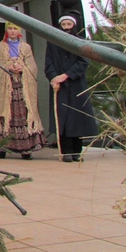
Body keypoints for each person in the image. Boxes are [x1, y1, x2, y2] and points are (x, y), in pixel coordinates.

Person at [45, 11, 98, 163]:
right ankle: (65, 152)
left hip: (76, 84)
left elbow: (83, 62)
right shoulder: (53, 42)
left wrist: (66, 75)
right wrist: (54, 77)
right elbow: (48, 62)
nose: (67, 27)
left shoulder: (81, 42)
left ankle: (76, 151)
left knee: (77, 119)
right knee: (63, 118)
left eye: (69, 24)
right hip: (59, 85)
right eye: (64, 24)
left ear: (74, 25)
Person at [0, 22, 45, 159]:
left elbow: (32, 67)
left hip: (23, 86)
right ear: (6, 31)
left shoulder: (26, 47)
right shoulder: (0, 47)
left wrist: (23, 68)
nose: (12, 31)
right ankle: (1, 147)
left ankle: (26, 148)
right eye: (10, 28)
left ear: (19, 31)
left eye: (15, 28)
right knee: (6, 113)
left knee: (24, 113)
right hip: (6, 87)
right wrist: (8, 66)